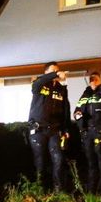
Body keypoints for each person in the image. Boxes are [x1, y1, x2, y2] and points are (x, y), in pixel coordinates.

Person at [28, 61, 71, 192]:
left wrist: (66, 129)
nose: (56, 74)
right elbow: (37, 84)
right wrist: (55, 74)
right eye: (52, 71)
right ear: (46, 73)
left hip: (54, 131)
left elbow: (65, 109)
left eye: (57, 71)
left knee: (58, 160)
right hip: (38, 129)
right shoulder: (39, 84)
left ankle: (58, 192)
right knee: (40, 163)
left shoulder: (60, 88)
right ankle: (40, 191)